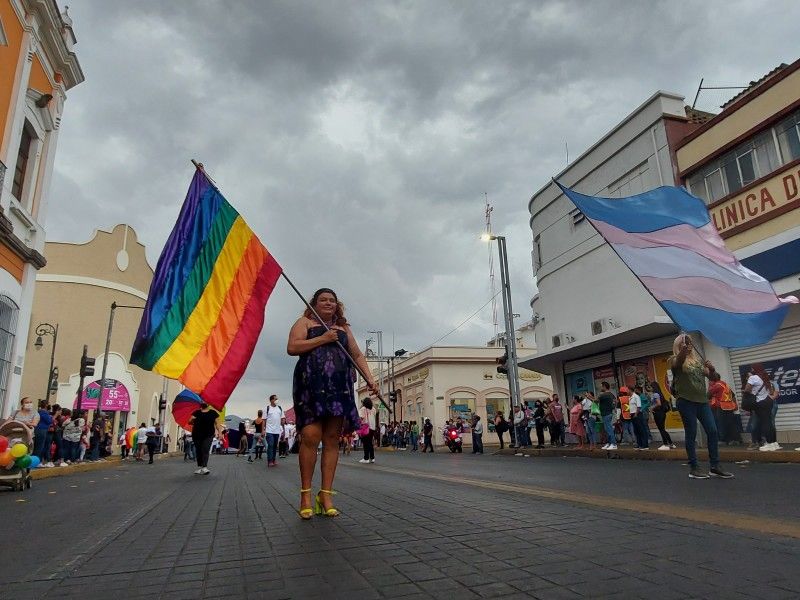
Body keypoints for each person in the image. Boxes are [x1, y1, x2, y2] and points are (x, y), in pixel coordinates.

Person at [288, 288, 378, 519]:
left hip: (339, 388)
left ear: (337, 305)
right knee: (310, 436)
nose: (328, 303)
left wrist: (370, 378)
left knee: (331, 440)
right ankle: (305, 495)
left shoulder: (343, 328)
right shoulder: (304, 322)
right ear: (315, 304)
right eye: (323, 300)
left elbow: (357, 355)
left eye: (332, 301)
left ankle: (325, 495)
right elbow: (292, 347)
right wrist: (323, 338)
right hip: (311, 388)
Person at [669, 334, 733, 479]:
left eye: (690, 342)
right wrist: (683, 352)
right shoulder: (673, 359)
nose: (689, 344)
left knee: (712, 431)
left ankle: (715, 466)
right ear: (679, 345)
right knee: (691, 433)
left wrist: (711, 368)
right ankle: (694, 467)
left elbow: (714, 377)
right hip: (685, 401)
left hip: (702, 401)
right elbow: (678, 363)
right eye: (685, 342)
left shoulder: (697, 361)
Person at [745, 364, 780, 452]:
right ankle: (774, 443)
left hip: (760, 403)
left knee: (765, 423)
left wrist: (750, 380)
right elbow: (771, 391)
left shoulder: (753, 378)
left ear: (755, 369)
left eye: (752, 368)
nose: (751, 370)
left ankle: (768, 443)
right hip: (768, 401)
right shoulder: (765, 377)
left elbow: (747, 390)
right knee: (769, 422)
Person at [189, 403, 222, 474]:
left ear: (209, 404)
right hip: (197, 435)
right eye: (203, 402)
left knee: (205, 448)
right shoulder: (196, 412)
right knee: (199, 450)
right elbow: (190, 422)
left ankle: (204, 467)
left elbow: (217, 423)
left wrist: (220, 432)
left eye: (206, 402)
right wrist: (192, 420)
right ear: (201, 404)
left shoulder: (213, 413)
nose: (204, 403)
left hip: (208, 435)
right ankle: (200, 467)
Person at [264, 394, 284, 467]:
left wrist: (283, 423)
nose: (277, 400)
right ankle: (270, 461)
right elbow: (264, 420)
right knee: (271, 445)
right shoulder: (267, 408)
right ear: (271, 400)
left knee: (275, 446)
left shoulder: (280, 408)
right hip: (269, 431)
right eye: (275, 399)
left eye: (277, 399)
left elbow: (282, 418)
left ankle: (273, 459)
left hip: (277, 431)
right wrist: (263, 430)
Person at [598, 382, 618, 451]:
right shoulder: (611, 394)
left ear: (604, 386)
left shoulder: (604, 395)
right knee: (607, 429)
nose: (601, 388)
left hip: (606, 413)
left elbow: (595, 401)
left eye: (601, 386)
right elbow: (615, 401)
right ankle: (609, 443)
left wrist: (589, 397)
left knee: (609, 429)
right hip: (608, 413)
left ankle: (613, 444)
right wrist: (612, 407)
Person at [34, 400, 53, 465]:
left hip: (37, 429)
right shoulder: (44, 412)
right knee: (39, 447)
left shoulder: (38, 412)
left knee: (36, 446)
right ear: (46, 405)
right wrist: (51, 417)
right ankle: (36, 461)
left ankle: (35, 460)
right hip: (42, 430)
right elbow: (49, 421)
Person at [358, 397, 377, 464]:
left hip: (365, 427)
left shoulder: (363, 409)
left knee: (365, 443)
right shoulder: (373, 409)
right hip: (372, 427)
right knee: (370, 443)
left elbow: (361, 417)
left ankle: (366, 458)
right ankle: (372, 457)